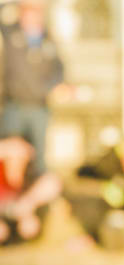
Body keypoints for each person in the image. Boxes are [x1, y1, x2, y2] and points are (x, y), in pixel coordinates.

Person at [0, 0, 64, 177]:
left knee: (38, 157)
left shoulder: (48, 40)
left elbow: (59, 69)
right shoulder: (11, 34)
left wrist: (53, 87)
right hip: (14, 105)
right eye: (27, 12)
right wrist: (14, 3)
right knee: (11, 151)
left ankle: (33, 195)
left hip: (39, 106)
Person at [0, 136, 61, 245]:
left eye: (20, 158)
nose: (16, 161)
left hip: (21, 213)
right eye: (12, 157)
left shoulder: (32, 175)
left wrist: (28, 203)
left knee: (29, 228)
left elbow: (52, 183)